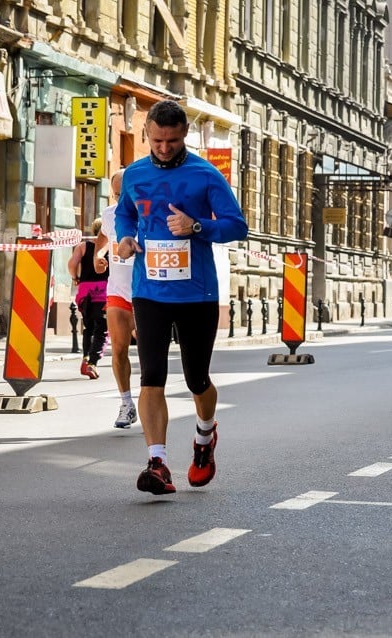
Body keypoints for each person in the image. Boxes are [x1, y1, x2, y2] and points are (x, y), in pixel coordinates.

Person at [114, 100, 249, 496]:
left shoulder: (205, 175)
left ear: (184, 134)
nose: (164, 148)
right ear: (147, 135)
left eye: (172, 140)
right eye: (157, 140)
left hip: (197, 293)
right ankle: (157, 462)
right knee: (152, 376)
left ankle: (205, 439)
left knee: (196, 378)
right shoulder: (135, 174)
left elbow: (235, 225)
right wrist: (124, 238)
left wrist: (197, 226)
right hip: (149, 288)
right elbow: (126, 214)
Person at [93, 169, 137, 429]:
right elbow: (103, 238)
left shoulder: (149, 213)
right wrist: (99, 255)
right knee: (119, 348)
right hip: (118, 289)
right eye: (117, 193)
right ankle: (126, 403)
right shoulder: (109, 215)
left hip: (147, 290)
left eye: (126, 193)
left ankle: (151, 398)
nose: (121, 199)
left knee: (148, 349)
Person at [68, 217, 108, 379]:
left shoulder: (83, 246)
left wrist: (75, 277)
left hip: (85, 292)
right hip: (104, 291)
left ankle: (86, 358)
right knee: (102, 329)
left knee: (88, 327)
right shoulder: (110, 246)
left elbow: (71, 264)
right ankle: (92, 363)